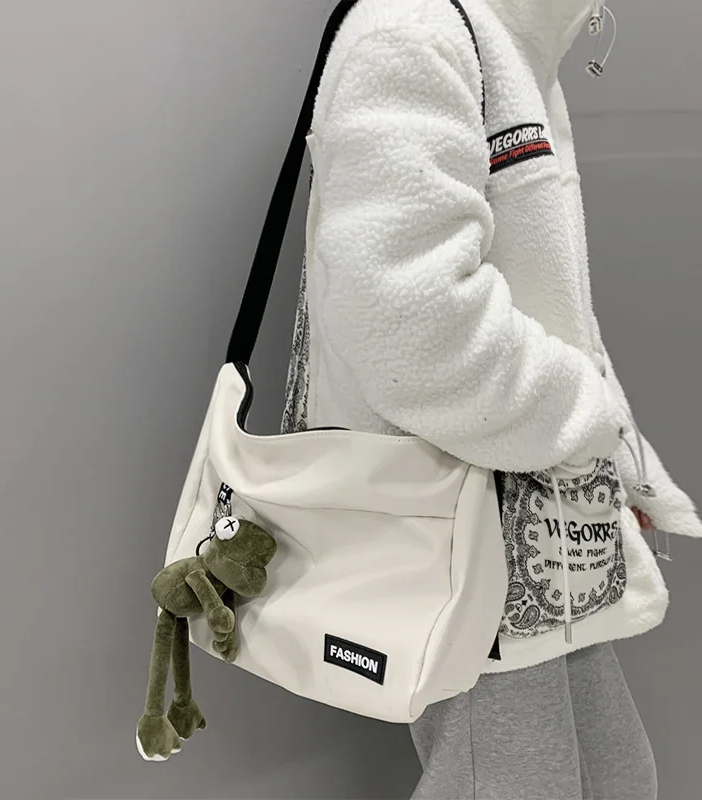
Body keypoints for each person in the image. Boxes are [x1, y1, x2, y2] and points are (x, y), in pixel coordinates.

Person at [281, 0, 702, 797]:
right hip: (460, 529)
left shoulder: (510, 45)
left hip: (534, 519)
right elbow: (412, 327)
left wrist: (615, 458)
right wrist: (591, 424)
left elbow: (548, 305)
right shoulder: (414, 33)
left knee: (617, 778)